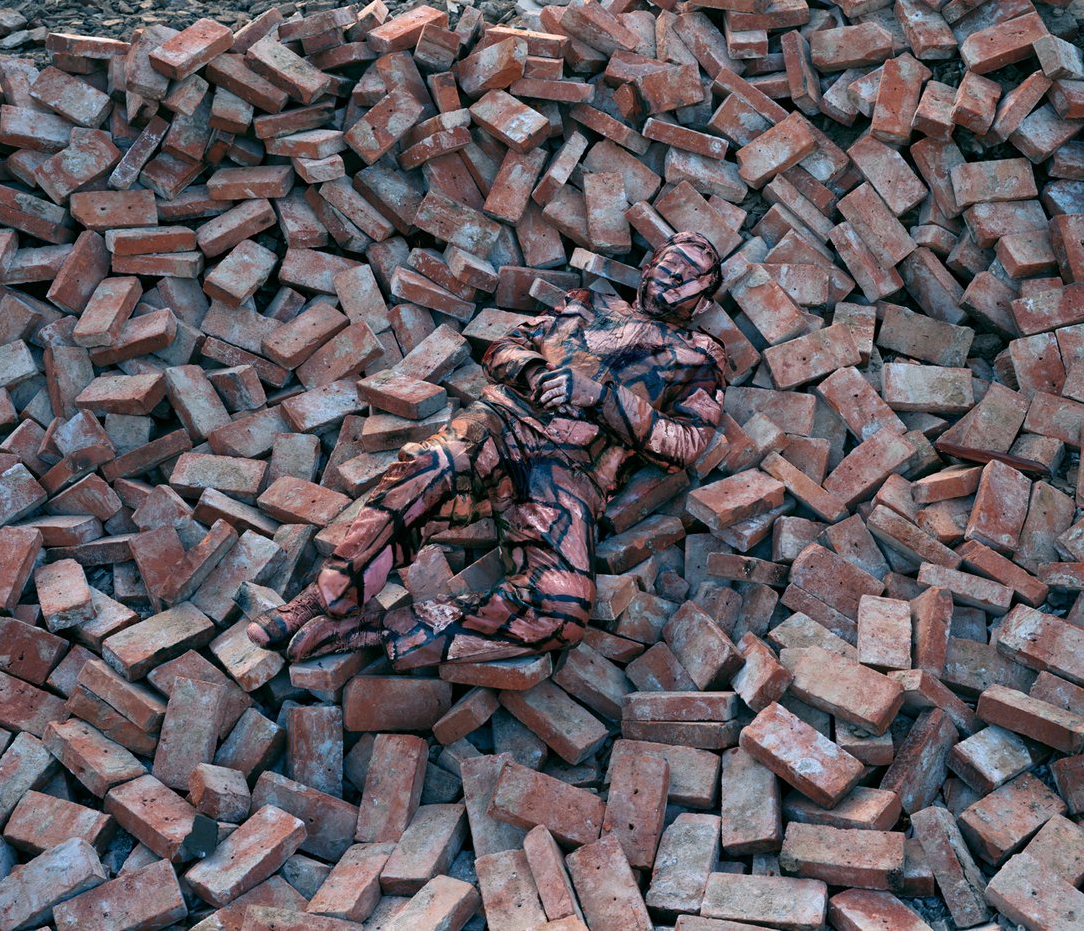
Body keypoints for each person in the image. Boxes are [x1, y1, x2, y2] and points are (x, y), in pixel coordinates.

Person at [247, 232, 728, 670]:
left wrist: (602, 398)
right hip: (500, 424)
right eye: (668, 265)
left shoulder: (702, 356)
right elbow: (502, 349)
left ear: (704, 299)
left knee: (562, 610)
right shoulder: (586, 304)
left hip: (569, 474)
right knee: (432, 466)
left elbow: (685, 444)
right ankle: (325, 598)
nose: (672, 278)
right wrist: (535, 373)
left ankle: (375, 629)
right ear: (647, 267)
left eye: (687, 276)